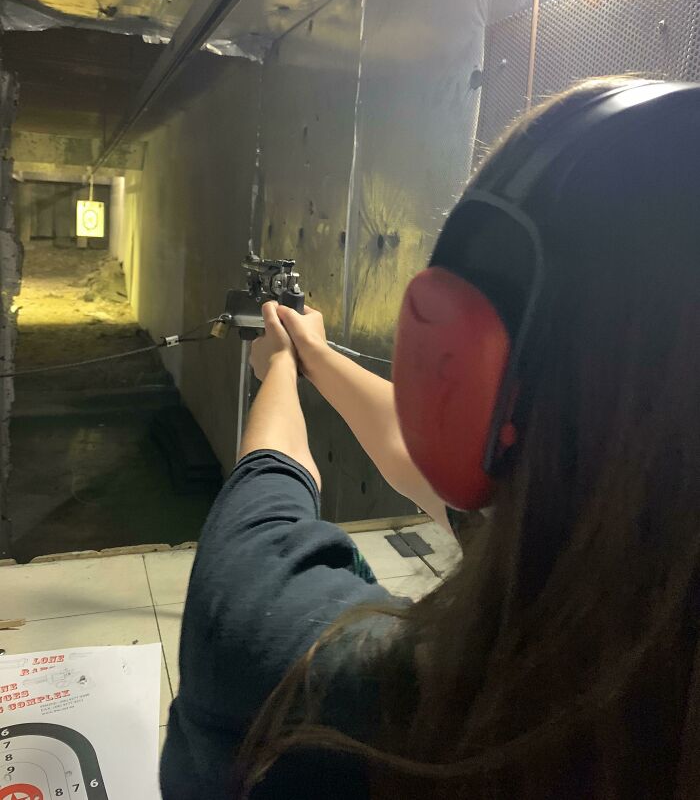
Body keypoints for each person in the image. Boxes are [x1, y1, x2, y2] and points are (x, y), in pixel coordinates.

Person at [160, 77, 700, 800]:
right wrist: (318, 356)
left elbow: (265, 499)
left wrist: (279, 370)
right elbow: (437, 459)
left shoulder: (329, 693)